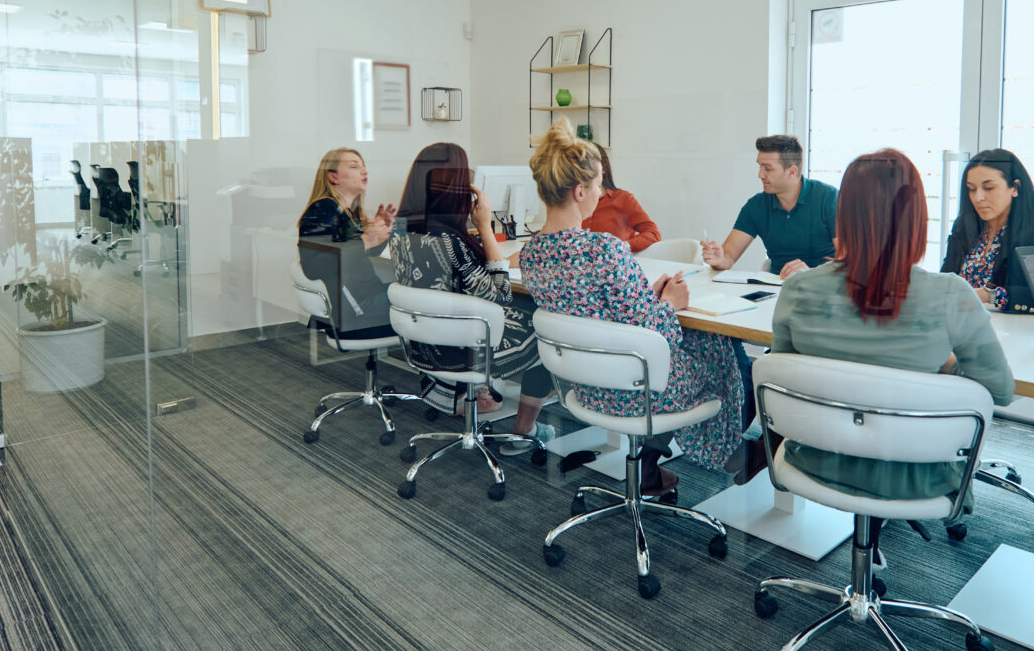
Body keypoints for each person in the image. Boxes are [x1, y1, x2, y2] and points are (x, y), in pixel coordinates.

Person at [771, 148, 1015, 507]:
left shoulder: (798, 288)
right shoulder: (950, 294)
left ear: (843, 215)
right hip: (916, 474)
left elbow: (785, 375)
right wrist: (946, 365)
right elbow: (1000, 389)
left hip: (817, 459)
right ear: (916, 216)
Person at [519, 121, 752, 494]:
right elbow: (654, 335)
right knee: (722, 353)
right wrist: (671, 304)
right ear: (580, 191)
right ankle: (729, 453)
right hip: (637, 388)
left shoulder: (532, 255)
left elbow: (592, 313)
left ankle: (668, 460)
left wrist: (653, 300)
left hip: (588, 386)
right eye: (597, 185)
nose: (601, 192)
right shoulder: (604, 249)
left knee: (704, 349)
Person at [393, 142, 552, 448]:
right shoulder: (451, 243)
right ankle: (524, 431)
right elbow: (502, 296)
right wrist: (484, 226)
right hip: (459, 351)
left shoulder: (402, 230)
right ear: (455, 186)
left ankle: (469, 393)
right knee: (546, 331)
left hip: (424, 344)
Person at [940, 148, 1034, 312]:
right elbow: (946, 278)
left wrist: (988, 295)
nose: (978, 197)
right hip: (959, 320)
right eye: (972, 189)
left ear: (1015, 188)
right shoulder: (964, 225)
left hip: (1012, 329)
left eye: (988, 188)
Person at [296, 147, 397, 339]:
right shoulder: (323, 208)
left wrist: (378, 236)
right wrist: (367, 240)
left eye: (364, 166)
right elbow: (314, 266)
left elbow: (358, 256)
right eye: (354, 166)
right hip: (355, 310)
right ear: (334, 178)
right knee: (423, 305)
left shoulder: (347, 212)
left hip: (365, 296)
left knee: (417, 295)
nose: (364, 171)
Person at [702, 134, 836, 278]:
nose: (760, 175)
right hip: (777, 289)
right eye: (760, 166)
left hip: (823, 288)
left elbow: (850, 262)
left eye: (768, 169)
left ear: (792, 171)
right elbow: (728, 257)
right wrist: (718, 259)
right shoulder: (756, 206)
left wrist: (809, 273)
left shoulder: (828, 198)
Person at [582, 145, 661, 253]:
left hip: (616, 265)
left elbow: (653, 233)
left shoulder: (623, 199)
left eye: (587, 167)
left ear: (602, 169)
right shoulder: (574, 201)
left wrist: (624, 246)